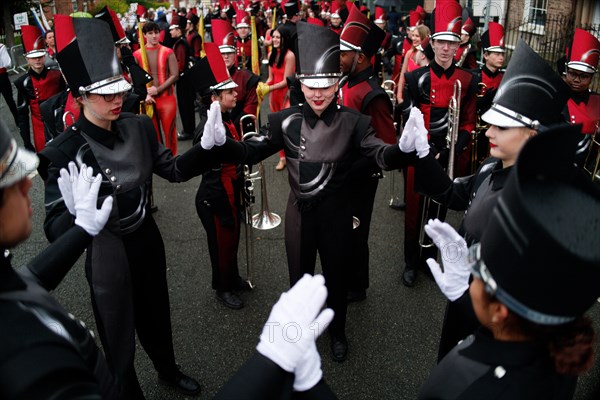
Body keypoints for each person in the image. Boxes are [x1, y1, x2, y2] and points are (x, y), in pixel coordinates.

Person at [214, 122, 600, 400]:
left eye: (479, 269)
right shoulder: (554, 356)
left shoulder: (463, 382)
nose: (488, 130)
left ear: (501, 309)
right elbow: (453, 192)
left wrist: (305, 380)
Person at [199, 21, 414, 363]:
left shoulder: (353, 122)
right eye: (311, 85)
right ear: (301, 83)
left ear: (337, 83)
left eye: (326, 86)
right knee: (298, 280)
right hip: (299, 216)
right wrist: (223, 146)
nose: (317, 94)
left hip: (338, 215)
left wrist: (404, 149)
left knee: (336, 277)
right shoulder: (284, 119)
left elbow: (380, 154)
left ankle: (338, 332)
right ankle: (299, 334)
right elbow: (252, 152)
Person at [40, 16, 211, 398]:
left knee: (157, 315)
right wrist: (73, 217)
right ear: (81, 95)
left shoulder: (138, 126)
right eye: (106, 93)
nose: (118, 99)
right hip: (105, 253)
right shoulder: (62, 151)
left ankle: (168, 369)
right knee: (116, 331)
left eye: (120, 89)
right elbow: (54, 230)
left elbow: (173, 170)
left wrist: (206, 148)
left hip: (146, 239)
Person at [399, 39, 571, 360]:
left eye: (501, 126)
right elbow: (454, 194)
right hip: (462, 291)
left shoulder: (536, 201)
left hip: (494, 319)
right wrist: (422, 155)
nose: (488, 132)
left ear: (531, 136)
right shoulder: (492, 164)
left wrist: (466, 294)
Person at [0, 117, 119, 399]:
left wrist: (83, 230)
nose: (28, 185)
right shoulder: (31, 356)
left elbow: (26, 281)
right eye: (10, 179)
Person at [398, 0, 476, 287]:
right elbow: (407, 119)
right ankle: (410, 262)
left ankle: (429, 259)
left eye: (451, 44)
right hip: (420, 154)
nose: (445, 49)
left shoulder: (467, 79)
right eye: (441, 42)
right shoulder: (415, 77)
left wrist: (456, 144)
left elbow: (468, 122)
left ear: (458, 47)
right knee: (415, 210)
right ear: (433, 44)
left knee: (438, 212)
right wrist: (423, 148)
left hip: (448, 155)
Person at [338, 7, 395, 302]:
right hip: (342, 170)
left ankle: (357, 285)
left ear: (360, 56)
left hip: (359, 175)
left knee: (357, 230)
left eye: (343, 53)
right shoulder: (347, 81)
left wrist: (350, 168)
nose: (339, 57)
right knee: (342, 229)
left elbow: (385, 144)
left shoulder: (373, 93)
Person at [191, 43, 250, 310]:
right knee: (221, 243)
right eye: (230, 91)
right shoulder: (208, 129)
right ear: (215, 98)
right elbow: (211, 173)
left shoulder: (225, 119)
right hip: (216, 195)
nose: (236, 93)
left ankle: (232, 277)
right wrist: (224, 206)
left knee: (232, 238)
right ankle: (222, 287)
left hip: (229, 188)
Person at [14, 25, 64, 152]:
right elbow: (22, 115)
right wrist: (26, 142)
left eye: (40, 56)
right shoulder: (23, 82)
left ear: (44, 56)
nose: (37, 60)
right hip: (39, 129)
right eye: (33, 57)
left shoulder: (57, 75)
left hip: (59, 124)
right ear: (27, 59)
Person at [133, 21, 179, 155]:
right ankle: (159, 160)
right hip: (148, 100)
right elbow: (136, 80)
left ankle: (172, 159)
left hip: (167, 99)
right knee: (152, 134)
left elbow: (174, 75)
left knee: (170, 132)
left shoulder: (168, 51)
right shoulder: (137, 55)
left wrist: (157, 90)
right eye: (150, 33)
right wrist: (145, 95)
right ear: (144, 35)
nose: (154, 36)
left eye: (156, 32)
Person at [560, 28, 600, 171]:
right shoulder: (556, 98)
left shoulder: (598, 101)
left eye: (583, 76)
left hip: (586, 171)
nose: (577, 80)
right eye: (572, 74)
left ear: (592, 77)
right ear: (566, 71)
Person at [257, 25, 296, 171]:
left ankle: (292, 156)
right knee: (276, 128)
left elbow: (287, 80)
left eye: (278, 37)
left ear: (284, 39)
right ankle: (282, 158)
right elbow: (271, 78)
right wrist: (263, 86)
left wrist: (269, 88)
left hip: (287, 95)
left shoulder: (290, 55)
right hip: (274, 96)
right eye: (273, 37)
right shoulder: (271, 54)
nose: (274, 39)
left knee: (288, 128)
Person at [211, 19, 259, 126]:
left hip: (241, 126)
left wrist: (232, 126)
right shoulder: (210, 77)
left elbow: (250, 107)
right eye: (222, 54)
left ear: (235, 54)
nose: (226, 56)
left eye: (229, 53)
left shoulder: (247, 78)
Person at [472, 22, 505, 167]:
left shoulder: (506, 77)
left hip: (500, 131)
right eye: (497, 54)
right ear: (485, 55)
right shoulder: (475, 76)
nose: (501, 57)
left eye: (502, 54)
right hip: (479, 132)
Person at [169, 16, 197, 141]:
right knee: (187, 104)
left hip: (184, 78)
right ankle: (189, 129)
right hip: (187, 78)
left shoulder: (180, 43)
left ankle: (188, 130)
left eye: (172, 29)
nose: (170, 32)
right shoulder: (182, 41)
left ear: (178, 30)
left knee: (185, 105)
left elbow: (180, 64)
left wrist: (173, 74)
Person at [396, 24, 430, 105]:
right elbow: (402, 76)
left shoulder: (429, 56)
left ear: (424, 37)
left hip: (423, 98)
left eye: (417, 36)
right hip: (408, 96)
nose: (413, 38)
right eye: (413, 35)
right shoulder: (409, 53)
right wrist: (399, 97)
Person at [0, 41, 18, 124]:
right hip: (2, 77)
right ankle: (18, 122)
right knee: (10, 100)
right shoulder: (1, 47)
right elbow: (8, 63)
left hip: (2, 76)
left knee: (10, 100)